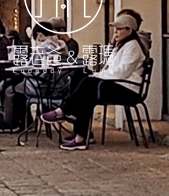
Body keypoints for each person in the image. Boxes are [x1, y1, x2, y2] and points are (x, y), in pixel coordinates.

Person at [42, 13, 149, 150]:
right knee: (81, 74)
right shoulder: (120, 45)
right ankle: (80, 133)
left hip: (127, 88)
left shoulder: (133, 47)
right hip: (114, 83)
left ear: (129, 30)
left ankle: (64, 112)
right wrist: (111, 44)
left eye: (119, 29)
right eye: (114, 29)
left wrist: (98, 76)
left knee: (88, 86)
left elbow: (122, 72)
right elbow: (106, 64)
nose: (115, 32)